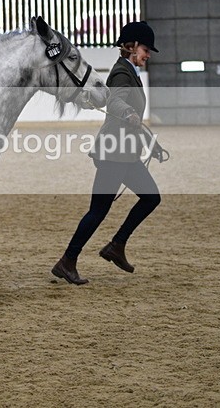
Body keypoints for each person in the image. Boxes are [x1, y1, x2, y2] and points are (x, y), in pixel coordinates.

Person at [52, 21, 163, 285]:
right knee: (98, 211)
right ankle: (67, 261)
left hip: (125, 154)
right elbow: (115, 101)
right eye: (146, 49)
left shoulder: (130, 71)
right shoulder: (122, 73)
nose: (148, 55)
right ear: (132, 46)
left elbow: (129, 115)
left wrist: (151, 143)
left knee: (151, 197)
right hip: (114, 154)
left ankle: (116, 245)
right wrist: (127, 111)